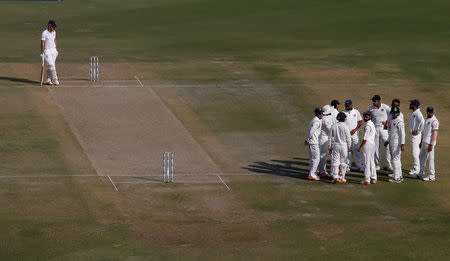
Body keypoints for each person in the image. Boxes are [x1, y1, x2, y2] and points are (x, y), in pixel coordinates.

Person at [415, 107, 439, 181]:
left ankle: (432, 176)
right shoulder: (426, 119)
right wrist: (421, 141)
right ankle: (421, 174)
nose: (429, 113)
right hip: (424, 142)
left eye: (431, 112)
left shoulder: (434, 121)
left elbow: (435, 134)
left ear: (433, 112)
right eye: (428, 112)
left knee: (430, 159)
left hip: (429, 144)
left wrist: (431, 144)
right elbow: (425, 132)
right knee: (421, 157)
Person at [368, 95, 392, 170]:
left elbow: (391, 116)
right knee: (376, 148)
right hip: (375, 129)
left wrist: (388, 123)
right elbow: (370, 118)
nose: (373, 102)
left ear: (378, 101)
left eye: (374, 101)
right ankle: (378, 165)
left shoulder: (386, 107)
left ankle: (389, 165)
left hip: (384, 129)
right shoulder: (371, 109)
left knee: (386, 147)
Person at [384, 107, 405, 183]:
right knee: (396, 159)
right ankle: (399, 175)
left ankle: (396, 178)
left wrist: (402, 144)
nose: (395, 114)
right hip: (392, 141)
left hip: (396, 142)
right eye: (394, 113)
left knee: (395, 159)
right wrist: (388, 141)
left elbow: (402, 134)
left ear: (399, 113)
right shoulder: (391, 120)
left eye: (396, 113)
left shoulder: (399, 121)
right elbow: (391, 132)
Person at [329, 112, 351, 183]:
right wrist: (349, 146)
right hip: (344, 145)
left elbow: (330, 138)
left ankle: (335, 176)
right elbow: (348, 138)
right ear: (344, 118)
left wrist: (329, 146)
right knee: (343, 161)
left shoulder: (333, 126)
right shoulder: (345, 126)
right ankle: (341, 177)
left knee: (336, 160)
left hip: (336, 145)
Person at [342, 100, 363, 171]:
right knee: (347, 150)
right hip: (346, 135)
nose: (348, 107)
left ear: (352, 105)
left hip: (354, 135)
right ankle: (347, 165)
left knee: (357, 149)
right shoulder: (342, 113)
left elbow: (360, 122)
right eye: (346, 106)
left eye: (349, 106)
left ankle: (360, 165)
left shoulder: (356, 112)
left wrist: (355, 129)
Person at [358, 111, 377, 184]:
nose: (365, 118)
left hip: (367, 145)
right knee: (371, 161)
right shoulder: (372, 124)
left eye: (367, 116)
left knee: (366, 162)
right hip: (372, 144)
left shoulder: (368, 125)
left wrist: (361, 147)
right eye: (364, 116)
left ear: (370, 117)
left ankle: (367, 179)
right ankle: (374, 178)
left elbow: (365, 138)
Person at [305, 108, 323, 181]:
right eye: (320, 113)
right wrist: (309, 139)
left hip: (312, 142)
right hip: (314, 142)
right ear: (316, 114)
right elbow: (311, 131)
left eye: (321, 113)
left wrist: (308, 140)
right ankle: (312, 174)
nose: (321, 115)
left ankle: (312, 173)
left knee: (313, 158)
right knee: (316, 158)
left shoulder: (314, 119)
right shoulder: (317, 122)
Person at [41, 20, 60, 86]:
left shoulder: (54, 32)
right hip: (47, 51)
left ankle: (48, 80)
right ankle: (55, 79)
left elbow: (54, 40)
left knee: (52, 66)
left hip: (53, 51)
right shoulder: (44, 33)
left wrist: (56, 49)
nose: (54, 28)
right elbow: (42, 43)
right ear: (49, 25)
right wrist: (42, 52)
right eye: (53, 27)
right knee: (51, 65)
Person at [408, 99, 424, 175]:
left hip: (416, 136)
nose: (410, 105)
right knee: (415, 152)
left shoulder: (418, 113)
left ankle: (417, 169)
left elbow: (423, 123)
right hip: (414, 135)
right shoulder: (414, 112)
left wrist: (418, 131)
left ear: (414, 105)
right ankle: (416, 167)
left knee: (415, 152)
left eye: (411, 104)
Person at [318, 105, 333, 178]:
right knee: (323, 155)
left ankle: (320, 170)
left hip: (322, 138)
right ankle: (321, 171)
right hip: (324, 138)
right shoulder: (325, 119)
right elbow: (329, 130)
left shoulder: (322, 117)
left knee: (322, 155)